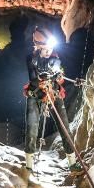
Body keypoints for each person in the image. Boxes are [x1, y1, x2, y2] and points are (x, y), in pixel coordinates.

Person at [23, 27, 79, 172]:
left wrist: (59, 77)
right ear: (38, 46)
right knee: (32, 128)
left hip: (53, 93)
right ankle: (29, 165)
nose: (48, 50)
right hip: (35, 94)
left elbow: (61, 74)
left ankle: (72, 163)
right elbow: (33, 78)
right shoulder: (31, 58)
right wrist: (40, 82)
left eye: (50, 47)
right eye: (45, 48)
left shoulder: (56, 58)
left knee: (64, 127)